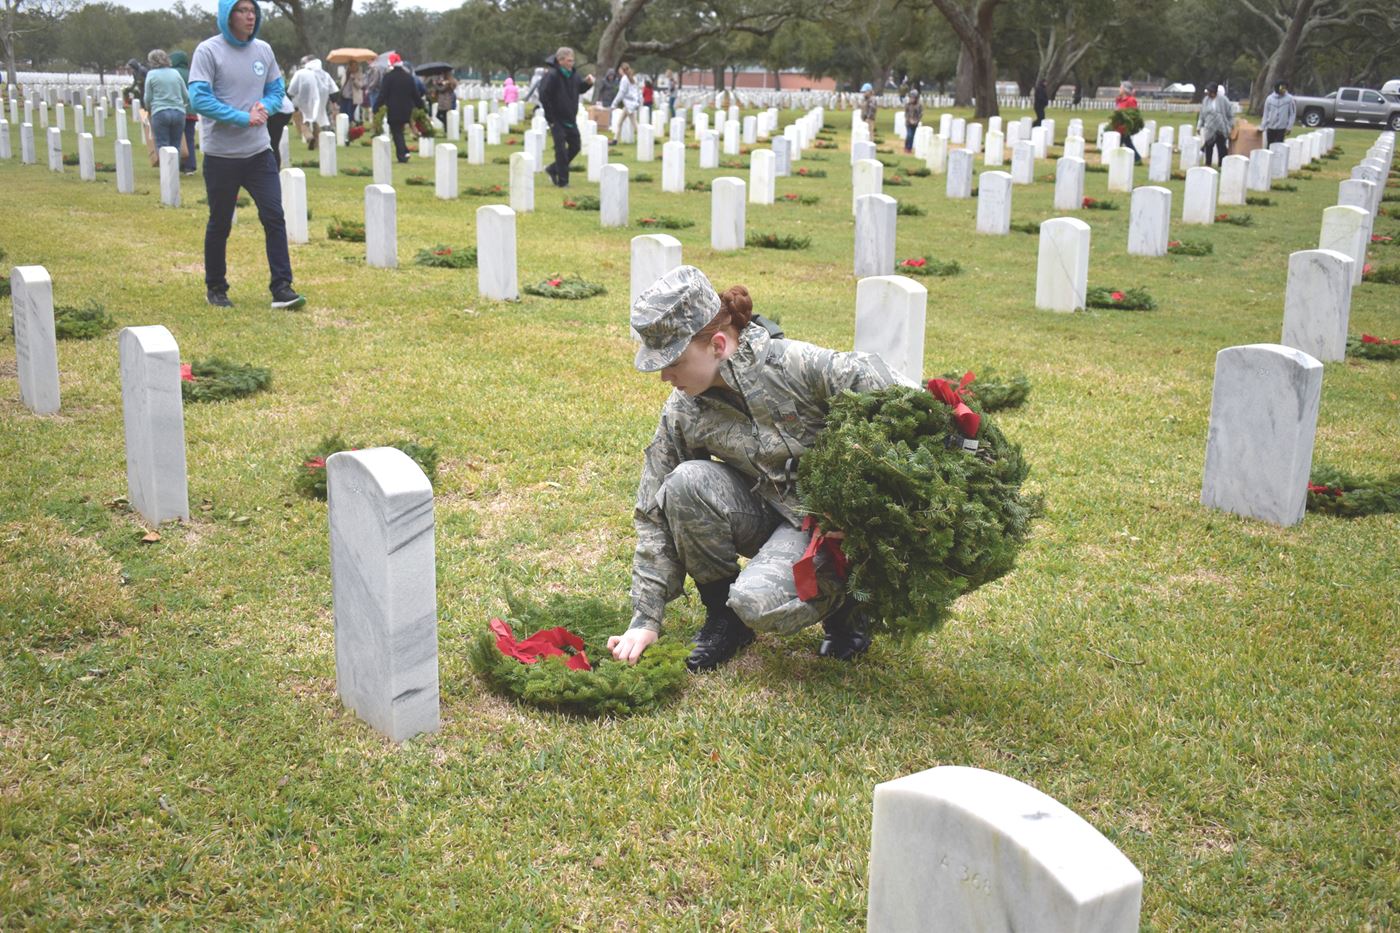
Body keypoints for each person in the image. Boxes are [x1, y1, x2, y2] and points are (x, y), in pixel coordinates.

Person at [607, 266, 909, 672]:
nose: (664, 376)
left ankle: (848, 605)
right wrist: (645, 619)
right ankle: (724, 621)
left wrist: (869, 515)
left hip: (831, 526)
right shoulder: (685, 409)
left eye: (674, 361)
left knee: (758, 603)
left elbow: (907, 406)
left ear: (717, 343)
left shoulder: (797, 366)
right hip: (770, 514)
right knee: (684, 484)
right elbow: (653, 510)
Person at [188, 0, 304, 310]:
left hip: (258, 152)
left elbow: (277, 88)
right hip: (222, 155)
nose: (249, 16)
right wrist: (242, 117)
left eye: (253, 10)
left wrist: (265, 106)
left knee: (273, 215)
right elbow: (199, 99)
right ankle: (216, 286)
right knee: (221, 222)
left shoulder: (263, 51)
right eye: (242, 10)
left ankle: (282, 286)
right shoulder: (208, 51)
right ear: (228, 15)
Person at [538, 46, 594, 188]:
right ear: (560, 60)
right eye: (569, 60)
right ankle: (563, 181)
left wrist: (587, 84)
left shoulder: (573, 75)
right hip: (556, 119)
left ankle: (553, 169)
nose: (571, 63)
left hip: (570, 118)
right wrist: (550, 118)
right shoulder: (552, 75)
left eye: (572, 60)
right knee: (561, 150)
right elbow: (544, 95)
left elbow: (578, 89)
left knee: (575, 146)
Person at [143, 50, 190, 161]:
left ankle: (166, 175)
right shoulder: (175, 73)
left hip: (160, 112)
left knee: (162, 145)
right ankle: (174, 174)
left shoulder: (151, 74)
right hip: (178, 112)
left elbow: (148, 97)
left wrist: (148, 108)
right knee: (176, 146)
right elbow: (185, 94)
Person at [380, 53, 422, 163]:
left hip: (393, 109)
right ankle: (404, 151)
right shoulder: (408, 77)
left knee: (397, 132)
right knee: (399, 131)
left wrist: (376, 107)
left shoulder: (388, 77)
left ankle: (402, 154)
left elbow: (383, 94)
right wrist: (421, 107)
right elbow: (415, 94)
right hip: (406, 109)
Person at [286, 56, 336, 148]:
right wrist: (334, 102)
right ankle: (316, 143)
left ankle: (309, 137)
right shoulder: (324, 74)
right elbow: (333, 90)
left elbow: (291, 90)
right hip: (320, 102)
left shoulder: (301, 73)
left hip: (303, 102)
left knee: (304, 121)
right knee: (315, 120)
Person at [169, 50, 199, 174]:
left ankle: (176, 165)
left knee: (175, 138)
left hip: (176, 109)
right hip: (191, 111)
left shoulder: (172, 73)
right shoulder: (192, 73)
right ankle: (190, 166)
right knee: (190, 139)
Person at [1198, 82, 1233, 167]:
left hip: (1221, 128)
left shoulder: (1223, 100)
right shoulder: (1205, 100)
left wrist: (1229, 126)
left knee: (1221, 148)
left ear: (1214, 92)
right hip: (1209, 128)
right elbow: (1202, 114)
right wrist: (1199, 126)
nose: (1208, 93)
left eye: (1210, 91)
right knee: (1208, 147)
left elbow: (1230, 114)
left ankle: (1222, 165)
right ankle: (1208, 164)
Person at [1114, 80, 1142, 164]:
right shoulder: (1119, 100)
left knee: (1122, 142)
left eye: (1121, 87)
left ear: (1125, 89)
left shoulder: (1131, 100)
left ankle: (1135, 158)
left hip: (1124, 127)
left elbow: (1133, 114)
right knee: (1127, 143)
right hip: (1118, 126)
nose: (1119, 89)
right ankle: (1136, 158)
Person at [1260, 81, 1295, 147]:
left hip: (1282, 127)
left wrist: (1289, 127)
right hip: (1270, 127)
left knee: (1279, 146)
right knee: (1269, 145)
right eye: (1282, 88)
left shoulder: (1289, 99)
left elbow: (1292, 114)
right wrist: (1263, 126)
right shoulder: (1269, 99)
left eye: (1285, 88)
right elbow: (1266, 113)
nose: (1284, 90)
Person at [613, 62, 639, 141]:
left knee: (635, 124)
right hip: (629, 105)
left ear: (622, 69)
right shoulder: (632, 78)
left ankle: (643, 138)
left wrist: (614, 103)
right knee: (619, 123)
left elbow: (621, 92)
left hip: (628, 105)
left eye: (620, 69)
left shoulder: (624, 79)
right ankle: (615, 140)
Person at [902, 88, 922, 154]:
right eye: (911, 97)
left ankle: (909, 148)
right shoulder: (908, 105)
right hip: (908, 123)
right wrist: (909, 120)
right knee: (909, 135)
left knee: (912, 136)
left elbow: (920, 114)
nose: (912, 99)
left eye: (913, 98)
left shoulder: (919, 106)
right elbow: (906, 114)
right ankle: (906, 147)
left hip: (915, 123)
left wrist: (916, 121)